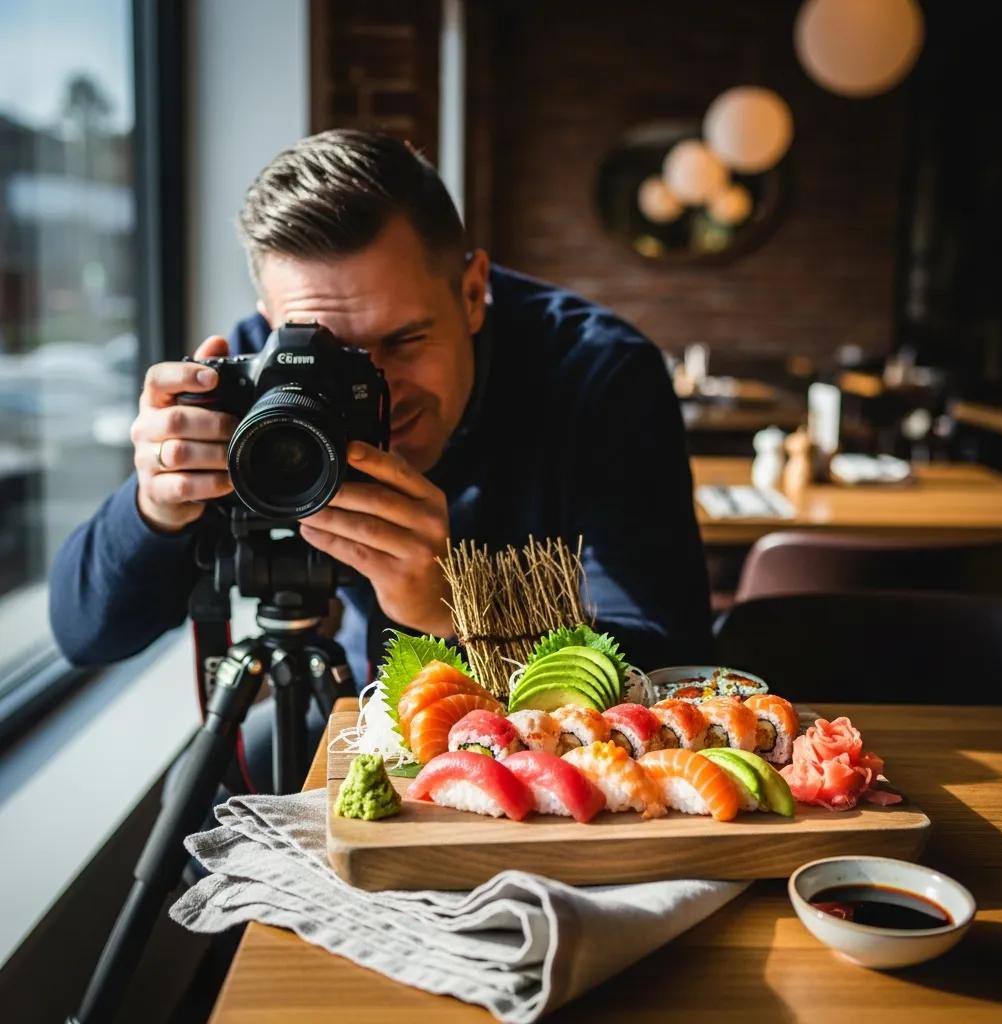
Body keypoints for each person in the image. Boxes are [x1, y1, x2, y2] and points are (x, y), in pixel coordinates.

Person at [49, 129, 712, 787]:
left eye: (405, 339)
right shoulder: (262, 376)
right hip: (370, 700)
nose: (379, 391)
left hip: (552, 748)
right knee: (209, 792)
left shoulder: (599, 374)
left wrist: (460, 607)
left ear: (474, 291)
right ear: (272, 321)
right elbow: (86, 637)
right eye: (333, 357)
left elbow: (673, 659)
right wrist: (154, 507)